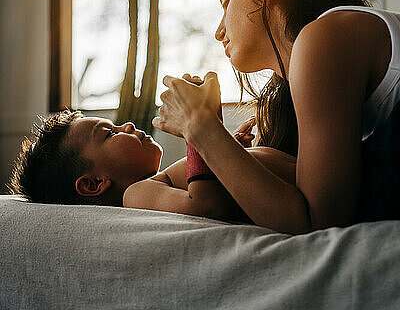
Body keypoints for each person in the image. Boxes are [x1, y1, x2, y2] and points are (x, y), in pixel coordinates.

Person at [152, 0, 400, 234]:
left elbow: (316, 223)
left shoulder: (326, 37)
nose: (219, 32)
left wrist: (199, 126)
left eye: (226, 1)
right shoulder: (314, 67)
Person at [7, 106, 295, 224]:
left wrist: (227, 150)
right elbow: (205, 207)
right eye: (109, 134)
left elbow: (212, 187)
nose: (128, 125)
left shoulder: (161, 184)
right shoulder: (137, 194)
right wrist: (198, 131)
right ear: (95, 183)